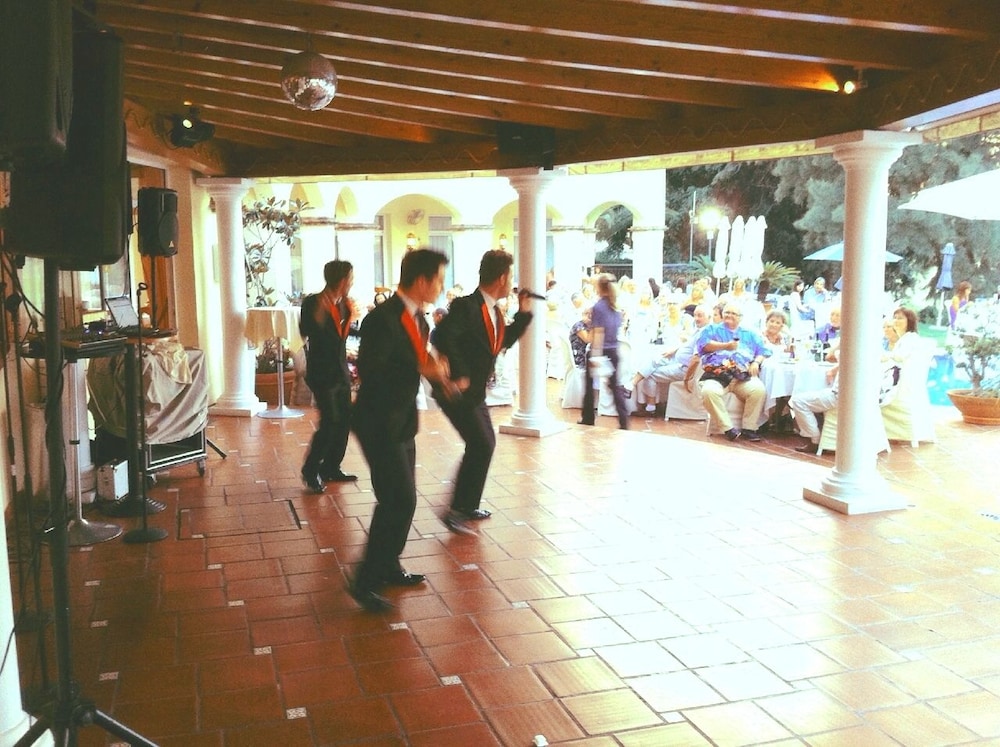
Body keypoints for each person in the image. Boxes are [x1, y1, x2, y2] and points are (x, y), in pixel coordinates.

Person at [349, 248, 456, 611]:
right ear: (422, 281)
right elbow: (371, 370)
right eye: (438, 279)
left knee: (401, 499)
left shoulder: (419, 321)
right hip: (377, 420)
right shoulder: (382, 318)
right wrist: (420, 369)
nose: (441, 286)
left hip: (401, 419)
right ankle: (364, 581)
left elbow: (420, 361)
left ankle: (388, 564)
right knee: (398, 499)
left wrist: (443, 380)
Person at [432, 250, 534, 535]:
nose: (512, 282)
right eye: (511, 276)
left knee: (484, 443)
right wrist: (460, 374)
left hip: (474, 393)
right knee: (481, 444)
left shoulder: (495, 312)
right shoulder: (466, 306)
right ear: (502, 278)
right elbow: (442, 336)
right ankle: (456, 510)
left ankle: (466, 506)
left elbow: (501, 343)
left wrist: (524, 313)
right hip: (456, 392)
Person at [299, 260, 360, 493]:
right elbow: (305, 330)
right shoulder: (313, 302)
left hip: (341, 371)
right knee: (330, 421)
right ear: (342, 280)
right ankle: (310, 470)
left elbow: (344, 333)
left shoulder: (344, 304)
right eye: (350, 278)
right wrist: (318, 316)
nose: (352, 282)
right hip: (322, 372)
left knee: (344, 420)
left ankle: (332, 467)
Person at [695, 303, 771, 442]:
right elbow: (703, 345)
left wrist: (756, 362)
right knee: (708, 391)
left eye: (733, 313)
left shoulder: (750, 333)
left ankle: (749, 428)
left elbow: (763, 351)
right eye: (727, 312)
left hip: (741, 375)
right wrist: (726, 346)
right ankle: (728, 429)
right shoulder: (712, 329)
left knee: (758, 389)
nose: (729, 315)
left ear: (740, 317)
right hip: (718, 374)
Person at [626, 304, 711, 412]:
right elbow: (689, 344)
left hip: (685, 369)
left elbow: (696, 359)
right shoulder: (700, 330)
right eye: (695, 315)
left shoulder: (704, 333)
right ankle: (631, 385)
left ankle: (650, 407)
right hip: (679, 361)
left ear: (709, 317)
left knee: (649, 374)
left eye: (700, 316)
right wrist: (675, 350)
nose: (696, 318)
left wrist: (688, 377)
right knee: (656, 358)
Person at [579, 274, 629, 429]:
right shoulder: (616, 306)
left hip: (601, 350)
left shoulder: (599, 307)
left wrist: (595, 354)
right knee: (615, 386)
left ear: (599, 287)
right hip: (614, 350)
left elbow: (599, 332)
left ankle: (588, 417)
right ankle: (623, 420)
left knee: (589, 386)